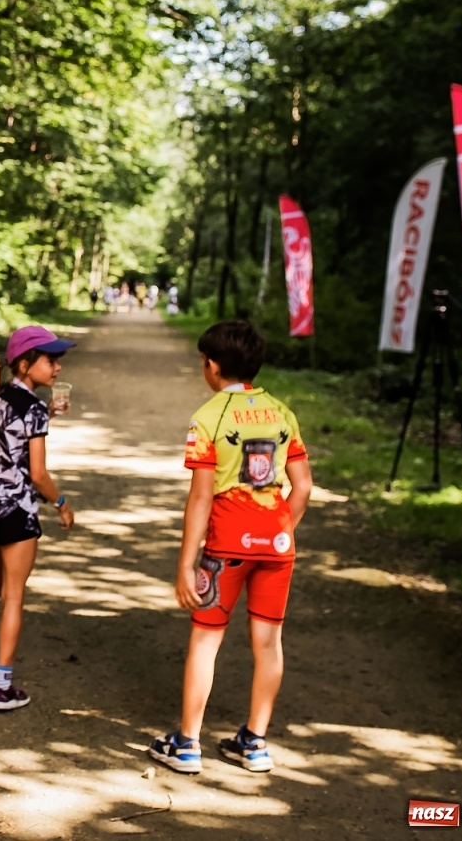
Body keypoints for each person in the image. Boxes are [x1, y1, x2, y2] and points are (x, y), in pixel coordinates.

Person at [148, 319, 313, 776]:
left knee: (206, 641)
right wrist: (281, 531)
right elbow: (303, 487)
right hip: (278, 545)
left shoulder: (209, 417)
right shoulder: (282, 412)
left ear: (212, 365)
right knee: (268, 642)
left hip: (226, 546)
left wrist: (185, 563)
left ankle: (186, 745)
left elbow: (201, 496)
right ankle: (255, 743)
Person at [0, 326, 76, 710]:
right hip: (18, 511)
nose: (57, 368)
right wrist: (61, 504)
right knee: (15, 595)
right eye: (50, 361)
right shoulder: (34, 409)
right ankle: (3, 685)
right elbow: (38, 474)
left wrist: (47, 416)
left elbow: (9, 444)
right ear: (25, 364)